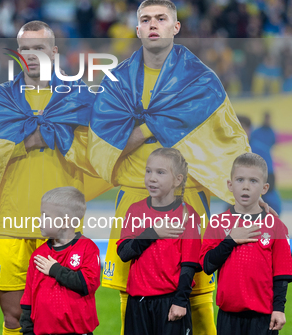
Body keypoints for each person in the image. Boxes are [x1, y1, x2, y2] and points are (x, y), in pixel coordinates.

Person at [88, 0, 249, 335]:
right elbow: (104, 143)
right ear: (137, 30)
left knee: (198, 293)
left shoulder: (200, 80)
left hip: (188, 194)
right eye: (146, 19)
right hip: (133, 195)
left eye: (161, 18)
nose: (153, 24)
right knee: (129, 293)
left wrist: (144, 128)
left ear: (175, 27)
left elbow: (224, 138)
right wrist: (157, 126)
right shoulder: (116, 81)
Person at [0, 21, 111, 335]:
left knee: (65, 310)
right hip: (12, 219)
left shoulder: (80, 96)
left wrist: (34, 137)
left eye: (39, 48)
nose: (31, 55)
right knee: (14, 318)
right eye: (25, 48)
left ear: (54, 52)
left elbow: (99, 151)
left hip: (63, 223)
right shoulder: (1, 97)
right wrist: (36, 139)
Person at [200, 153, 292, 335]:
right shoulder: (218, 223)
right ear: (230, 185)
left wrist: (279, 309)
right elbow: (207, 265)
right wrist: (230, 240)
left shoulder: (275, 225)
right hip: (228, 317)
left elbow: (282, 273)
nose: (246, 186)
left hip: (263, 317)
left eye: (253, 181)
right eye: (240, 180)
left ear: (265, 188)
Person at [118, 148, 201, 335]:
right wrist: (152, 232)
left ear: (177, 180)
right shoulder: (135, 210)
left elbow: (189, 265)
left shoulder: (187, 215)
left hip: (170, 302)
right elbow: (124, 253)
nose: (152, 178)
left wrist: (180, 301)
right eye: (148, 171)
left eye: (160, 172)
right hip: (138, 302)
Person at [19, 186, 100, 335]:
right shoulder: (39, 254)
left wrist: (55, 270)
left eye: (45, 216)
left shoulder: (87, 248)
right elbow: (28, 299)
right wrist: (27, 331)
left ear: (64, 222)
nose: (39, 220)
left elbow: (87, 284)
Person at [237, 115, 282, 214]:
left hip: (267, 203)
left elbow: (270, 179)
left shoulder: (261, 150)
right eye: (235, 126)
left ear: (249, 129)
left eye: (242, 126)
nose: (238, 130)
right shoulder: (231, 152)